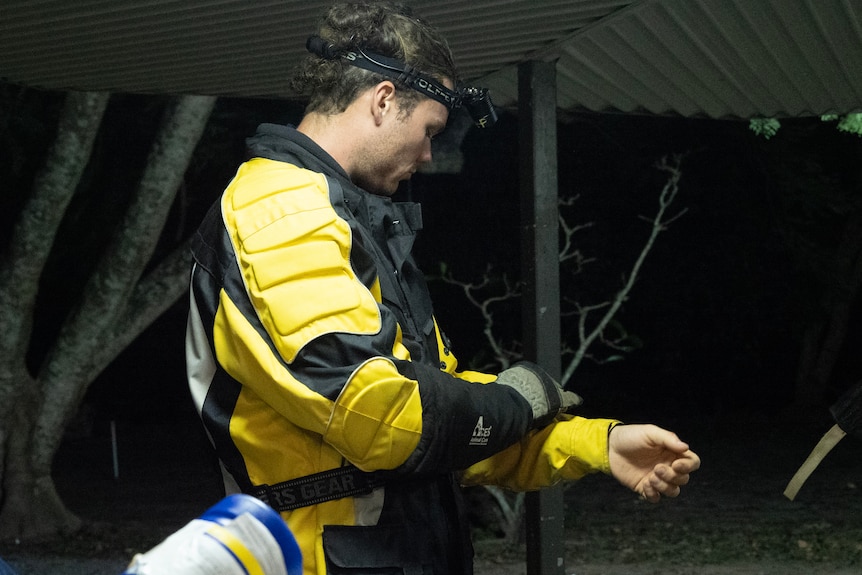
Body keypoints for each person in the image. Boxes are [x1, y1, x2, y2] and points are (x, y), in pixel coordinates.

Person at [184, 2, 701, 574]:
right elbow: (386, 420)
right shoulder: (281, 213)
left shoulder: (340, 218)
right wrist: (516, 400)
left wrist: (594, 445)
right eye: (429, 129)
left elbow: (442, 420)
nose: (429, 154)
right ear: (383, 100)